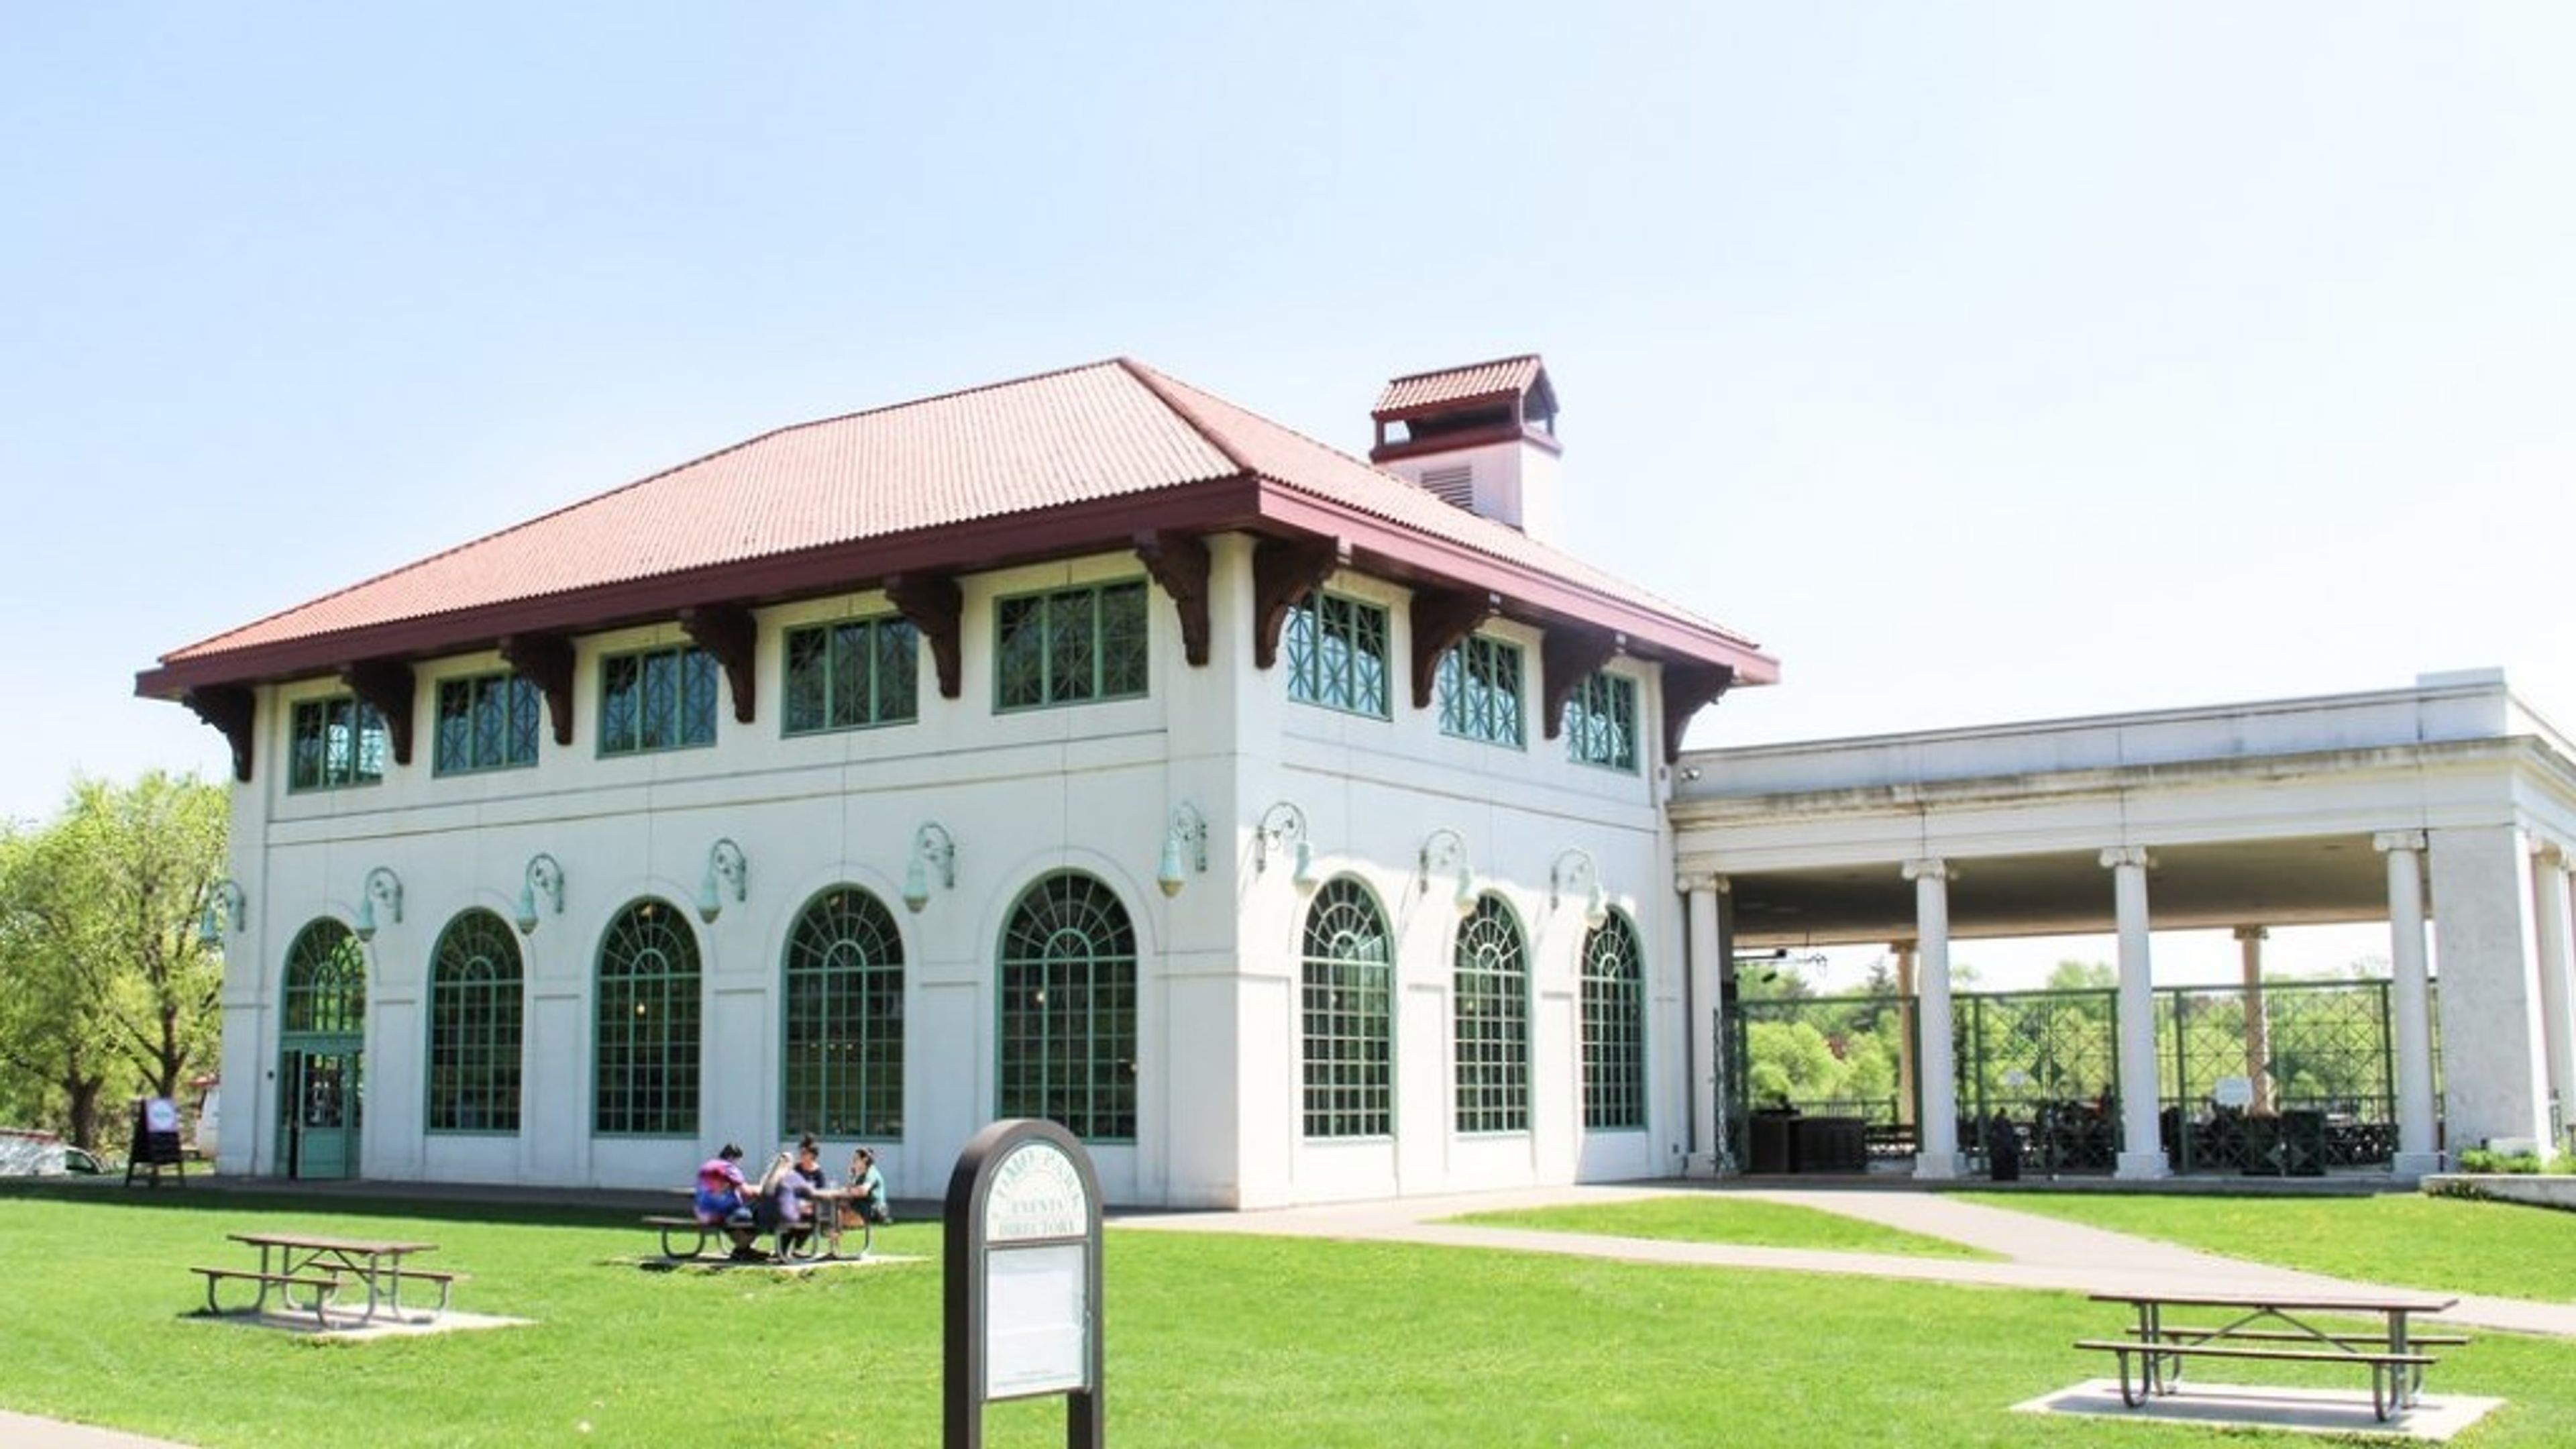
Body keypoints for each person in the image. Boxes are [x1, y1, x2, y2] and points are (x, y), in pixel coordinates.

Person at [693, 1144, 763, 1260]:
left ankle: (744, 1250)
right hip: (723, 1214)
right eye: (738, 1161)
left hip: (703, 1213)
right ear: (732, 1158)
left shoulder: (708, 1166)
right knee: (764, 1215)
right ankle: (741, 1250)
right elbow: (747, 1192)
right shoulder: (728, 1167)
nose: (738, 1165)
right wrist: (764, 1190)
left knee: (744, 1215)